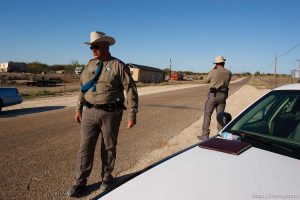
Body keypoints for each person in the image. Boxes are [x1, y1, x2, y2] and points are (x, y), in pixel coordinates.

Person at [67, 31, 138, 197]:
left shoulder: (118, 65)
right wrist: (78, 108)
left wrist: (132, 114)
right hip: (89, 112)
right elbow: (82, 88)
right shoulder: (89, 64)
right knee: (84, 148)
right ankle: (80, 182)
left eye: (96, 46)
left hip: (110, 113)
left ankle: (107, 178)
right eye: (91, 46)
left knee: (108, 147)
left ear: (106, 46)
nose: (93, 49)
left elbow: (131, 90)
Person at [198, 56, 232, 140]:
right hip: (223, 96)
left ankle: (205, 135)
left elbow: (205, 81)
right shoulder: (228, 72)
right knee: (220, 116)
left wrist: (213, 70)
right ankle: (220, 135)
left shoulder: (213, 71)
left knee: (207, 115)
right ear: (223, 63)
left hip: (213, 96)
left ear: (216, 64)